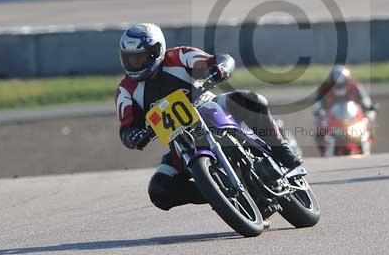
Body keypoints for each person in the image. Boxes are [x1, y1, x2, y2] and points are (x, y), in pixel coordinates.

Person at [115, 23, 302, 211]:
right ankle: (220, 192)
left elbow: (220, 60)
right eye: (129, 58)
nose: (134, 63)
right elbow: (126, 129)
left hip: (211, 107)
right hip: (181, 141)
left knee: (252, 100)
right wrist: (133, 136)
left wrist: (219, 68)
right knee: (159, 191)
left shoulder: (179, 56)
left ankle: (281, 149)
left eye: (139, 57)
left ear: (156, 51)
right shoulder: (126, 90)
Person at [312, 66, 376, 151]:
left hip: (353, 120)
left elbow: (365, 101)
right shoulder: (324, 89)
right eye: (335, 84)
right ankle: (324, 152)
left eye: (342, 84)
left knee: (369, 126)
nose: (339, 86)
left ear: (348, 81)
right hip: (332, 121)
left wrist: (369, 109)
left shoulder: (355, 87)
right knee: (319, 131)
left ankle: (367, 148)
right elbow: (318, 104)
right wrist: (318, 113)